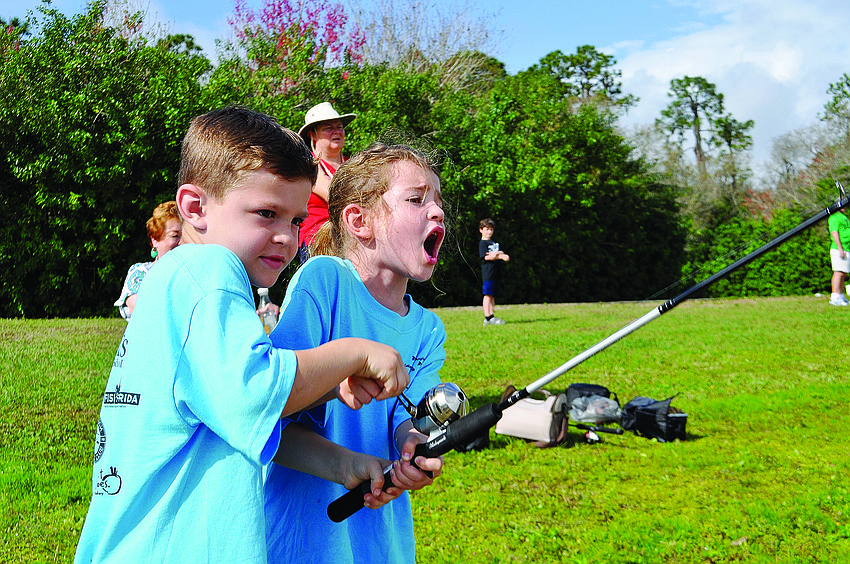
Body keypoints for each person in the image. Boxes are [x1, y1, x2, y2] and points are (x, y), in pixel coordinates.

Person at [74, 107, 410, 564]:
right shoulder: (211, 272)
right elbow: (254, 392)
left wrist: (343, 462)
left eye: (294, 220)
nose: (286, 238)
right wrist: (353, 354)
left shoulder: (180, 281)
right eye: (266, 213)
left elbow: (236, 418)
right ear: (195, 207)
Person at [264, 143, 448, 563]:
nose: (437, 212)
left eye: (438, 201)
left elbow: (410, 415)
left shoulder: (427, 329)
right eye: (417, 199)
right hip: (306, 537)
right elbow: (273, 405)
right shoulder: (324, 280)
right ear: (359, 220)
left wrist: (413, 447)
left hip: (379, 540)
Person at [296, 101, 357, 263]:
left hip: (353, 241)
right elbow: (335, 196)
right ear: (313, 135)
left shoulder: (352, 164)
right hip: (318, 242)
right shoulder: (308, 164)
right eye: (329, 128)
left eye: (339, 127)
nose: (336, 131)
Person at [113, 200, 181, 320]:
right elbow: (144, 314)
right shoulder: (140, 273)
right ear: (155, 239)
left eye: (185, 236)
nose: (181, 242)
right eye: (175, 236)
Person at [479, 218, 510, 325]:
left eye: (491, 229)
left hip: (496, 273)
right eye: (487, 229)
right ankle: (487, 317)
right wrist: (499, 254)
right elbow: (487, 257)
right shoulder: (483, 243)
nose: (489, 232)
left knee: (492, 295)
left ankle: (492, 315)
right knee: (487, 294)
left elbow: (499, 255)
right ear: (481, 230)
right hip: (488, 273)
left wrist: (497, 254)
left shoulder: (493, 242)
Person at [828, 200, 850, 306]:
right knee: (838, 272)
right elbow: (834, 233)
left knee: (844, 272)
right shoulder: (834, 218)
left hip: (847, 248)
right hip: (838, 249)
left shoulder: (843, 217)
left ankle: (840, 294)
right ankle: (835, 295)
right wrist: (840, 248)